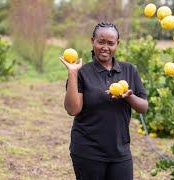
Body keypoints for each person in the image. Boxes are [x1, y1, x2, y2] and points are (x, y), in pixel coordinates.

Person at [60, 22, 148, 180]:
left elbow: (143, 107)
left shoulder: (129, 70)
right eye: (101, 42)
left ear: (117, 44)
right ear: (92, 41)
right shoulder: (83, 72)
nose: (105, 47)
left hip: (120, 151)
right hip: (87, 151)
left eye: (110, 43)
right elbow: (72, 110)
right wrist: (72, 73)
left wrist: (129, 97)